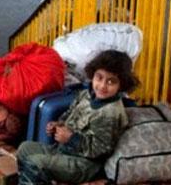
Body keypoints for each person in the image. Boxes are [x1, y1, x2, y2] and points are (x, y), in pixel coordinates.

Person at [17, 50, 138, 185]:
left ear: (121, 85)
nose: (103, 86)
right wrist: (57, 125)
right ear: (93, 75)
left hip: (84, 165)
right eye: (99, 78)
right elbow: (68, 114)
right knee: (24, 148)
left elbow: (101, 150)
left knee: (36, 163)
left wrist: (71, 138)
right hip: (64, 151)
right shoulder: (85, 94)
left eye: (111, 82)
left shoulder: (110, 113)